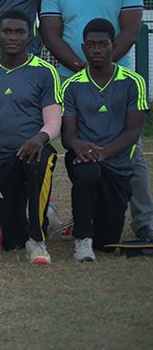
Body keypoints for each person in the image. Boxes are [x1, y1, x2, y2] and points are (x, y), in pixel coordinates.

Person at [39, 0, 153, 243]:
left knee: (132, 152)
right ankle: (52, 216)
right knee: (68, 148)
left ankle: (144, 220)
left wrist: (101, 67)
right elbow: (50, 33)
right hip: (69, 81)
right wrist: (81, 68)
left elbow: (130, 31)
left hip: (115, 81)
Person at [0, 9, 61, 265]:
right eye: (7, 31)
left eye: (19, 31)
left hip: (32, 154)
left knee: (40, 160)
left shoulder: (44, 72)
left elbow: (54, 121)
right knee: (11, 241)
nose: (13, 37)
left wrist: (39, 138)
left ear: (29, 35)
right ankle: (42, 216)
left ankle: (38, 241)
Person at [61, 18, 149, 262]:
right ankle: (82, 238)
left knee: (108, 244)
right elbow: (68, 134)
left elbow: (133, 132)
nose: (97, 50)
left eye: (103, 44)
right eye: (91, 45)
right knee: (87, 171)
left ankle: (93, 226)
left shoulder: (133, 82)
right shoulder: (71, 85)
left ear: (114, 45)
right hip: (85, 160)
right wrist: (79, 146)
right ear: (83, 47)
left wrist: (104, 152)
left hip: (118, 165)